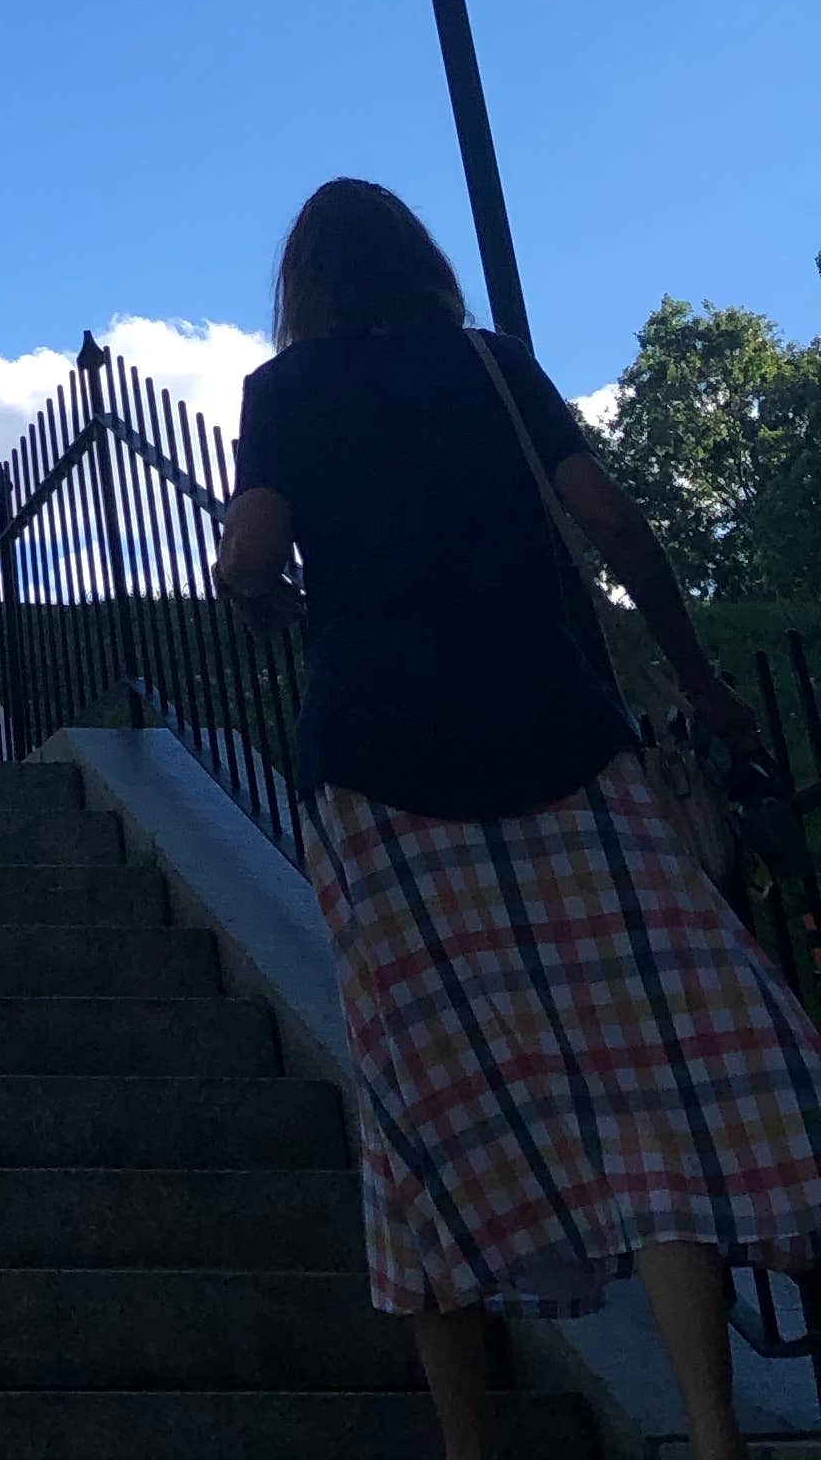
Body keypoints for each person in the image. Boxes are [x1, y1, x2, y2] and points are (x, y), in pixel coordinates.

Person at [216, 176, 821, 1460]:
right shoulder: (492, 365)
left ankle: (470, 1444)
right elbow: (610, 519)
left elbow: (250, 555)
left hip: (379, 774)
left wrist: (269, 598)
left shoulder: (283, 393)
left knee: (421, 1104)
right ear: (420, 263)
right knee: (659, 1076)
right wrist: (696, 677)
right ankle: (714, 1431)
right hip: (562, 744)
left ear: (304, 285)